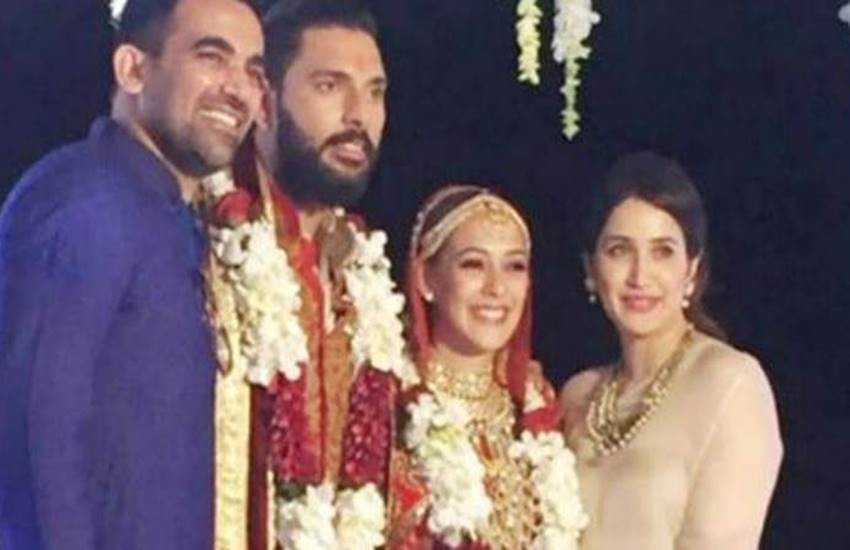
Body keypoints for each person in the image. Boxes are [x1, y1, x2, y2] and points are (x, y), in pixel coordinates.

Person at [0, 1, 265, 549]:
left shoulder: (179, 223)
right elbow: (34, 439)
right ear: (133, 70)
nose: (238, 89)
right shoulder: (87, 199)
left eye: (253, 71)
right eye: (211, 56)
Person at [199, 1, 413, 548]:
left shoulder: (359, 272)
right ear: (265, 103)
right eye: (329, 86)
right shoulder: (208, 242)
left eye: (375, 92)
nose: (358, 116)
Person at [559, 151, 783, 550]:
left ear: (691, 268)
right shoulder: (578, 395)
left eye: (662, 251)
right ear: (591, 269)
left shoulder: (729, 383)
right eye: (619, 250)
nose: (640, 275)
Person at [387, 185, 582, 549]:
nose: (497, 288)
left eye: (514, 266)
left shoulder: (536, 406)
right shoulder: (389, 405)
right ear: (425, 278)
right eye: (474, 264)